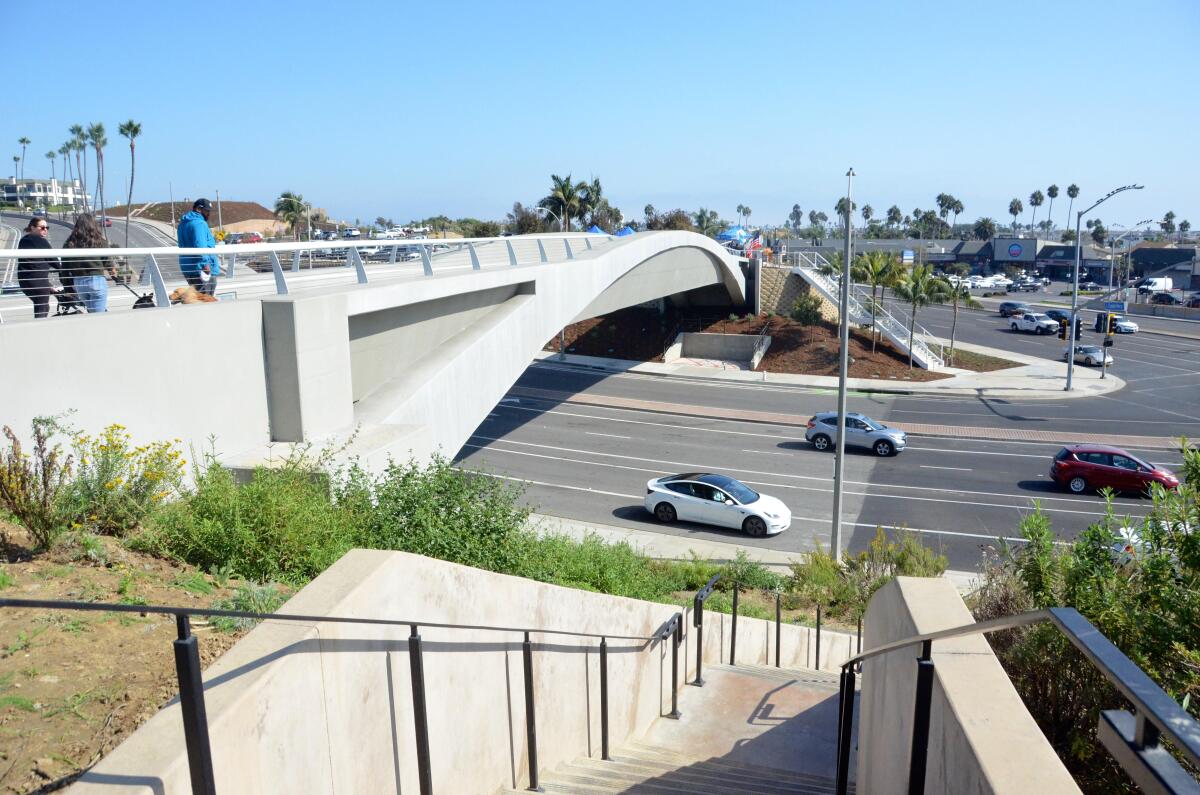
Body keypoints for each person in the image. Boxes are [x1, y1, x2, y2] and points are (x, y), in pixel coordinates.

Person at [62, 213, 117, 313]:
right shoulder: (99, 241)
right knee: (97, 317)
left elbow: (64, 268)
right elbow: (107, 261)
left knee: (92, 312)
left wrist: (67, 287)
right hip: (96, 281)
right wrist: (112, 271)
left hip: (79, 283)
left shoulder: (69, 243)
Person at [16, 217, 58, 319]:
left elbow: (31, 265)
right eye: (42, 227)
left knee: (42, 305)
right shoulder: (38, 240)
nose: (45, 230)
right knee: (42, 308)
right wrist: (65, 270)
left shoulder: (24, 240)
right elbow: (53, 260)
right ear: (32, 227)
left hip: (26, 281)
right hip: (38, 282)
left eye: (47, 227)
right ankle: (39, 331)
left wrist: (48, 285)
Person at [177, 198, 220, 295]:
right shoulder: (199, 223)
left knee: (197, 298)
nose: (209, 214)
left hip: (188, 268)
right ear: (199, 209)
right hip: (201, 269)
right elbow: (200, 245)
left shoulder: (182, 224)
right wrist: (205, 264)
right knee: (206, 299)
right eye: (207, 211)